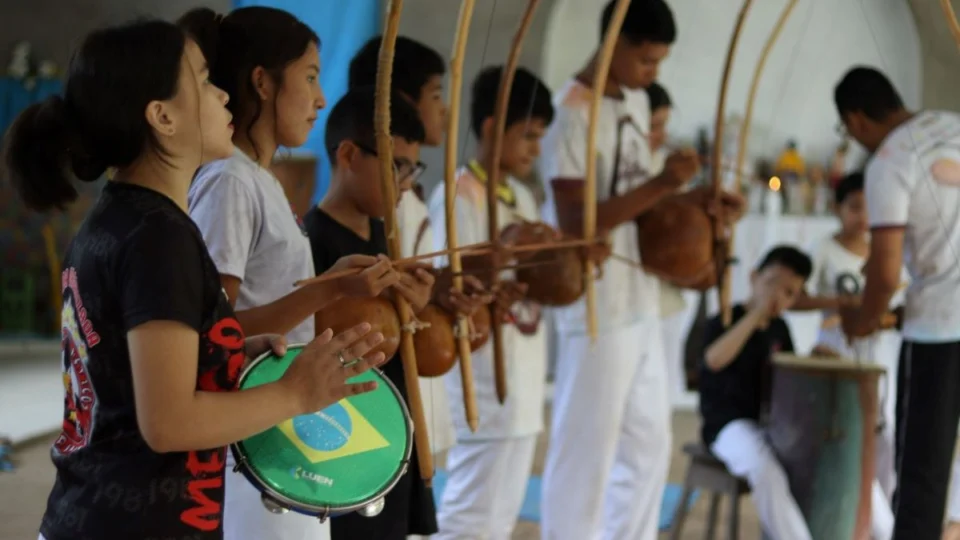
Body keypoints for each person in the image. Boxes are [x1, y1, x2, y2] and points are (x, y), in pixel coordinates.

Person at [0, 20, 386, 540]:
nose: (223, 93)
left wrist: (227, 351)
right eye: (204, 80)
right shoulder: (155, 236)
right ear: (162, 116)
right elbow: (169, 423)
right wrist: (297, 392)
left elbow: (127, 371)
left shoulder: (125, 218)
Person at [177, 9, 401, 540]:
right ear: (262, 81)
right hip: (251, 440)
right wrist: (328, 288)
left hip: (286, 427)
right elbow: (215, 331)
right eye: (309, 76)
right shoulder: (230, 179)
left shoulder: (262, 181)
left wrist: (346, 314)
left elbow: (276, 312)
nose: (320, 98)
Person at [538, 1, 744, 538]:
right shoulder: (572, 113)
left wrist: (698, 198)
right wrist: (661, 184)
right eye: (647, 60)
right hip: (595, 306)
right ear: (612, 44)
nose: (654, 74)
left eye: (659, 62)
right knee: (587, 451)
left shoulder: (630, 99)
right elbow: (575, 221)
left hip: (639, 301)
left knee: (648, 445)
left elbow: (642, 205)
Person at [424, 66, 555, 539]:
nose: (535, 149)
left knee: (498, 517)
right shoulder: (459, 196)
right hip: (483, 377)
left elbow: (534, 276)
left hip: (522, 375)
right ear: (491, 127)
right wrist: (492, 271)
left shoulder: (520, 194)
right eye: (528, 135)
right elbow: (446, 285)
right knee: (470, 517)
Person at [348, 35, 490, 460]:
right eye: (435, 93)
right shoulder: (379, 200)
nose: (444, 108)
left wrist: (451, 290)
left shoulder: (406, 198)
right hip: (383, 389)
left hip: (414, 387)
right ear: (399, 102)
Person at [305, 86, 438, 540]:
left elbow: (417, 349)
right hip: (341, 439)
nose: (405, 181)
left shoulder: (391, 240)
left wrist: (418, 310)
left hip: (393, 430)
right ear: (348, 155)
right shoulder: (311, 241)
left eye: (412, 168)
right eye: (396, 165)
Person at [835, 66, 960, 539]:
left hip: (940, 333)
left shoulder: (889, 159)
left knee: (921, 476)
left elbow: (884, 272)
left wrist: (864, 320)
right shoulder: (953, 125)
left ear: (856, 120)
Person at [700, 245, 893, 540]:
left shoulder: (779, 330)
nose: (778, 295)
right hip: (728, 426)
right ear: (753, 278)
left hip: (772, 427)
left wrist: (813, 359)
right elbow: (714, 360)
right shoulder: (726, 319)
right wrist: (756, 316)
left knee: (848, 457)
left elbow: (782, 380)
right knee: (766, 470)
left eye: (790, 292)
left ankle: (890, 532)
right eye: (772, 283)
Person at [794, 172, 908, 499]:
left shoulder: (884, 253)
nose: (864, 217)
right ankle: (842, 508)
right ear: (837, 208)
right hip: (835, 354)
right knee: (843, 431)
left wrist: (877, 316)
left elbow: (898, 305)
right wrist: (841, 303)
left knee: (884, 432)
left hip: (879, 357)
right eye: (855, 207)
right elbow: (794, 298)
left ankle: (882, 512)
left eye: (871, 208)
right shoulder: (823, 249)